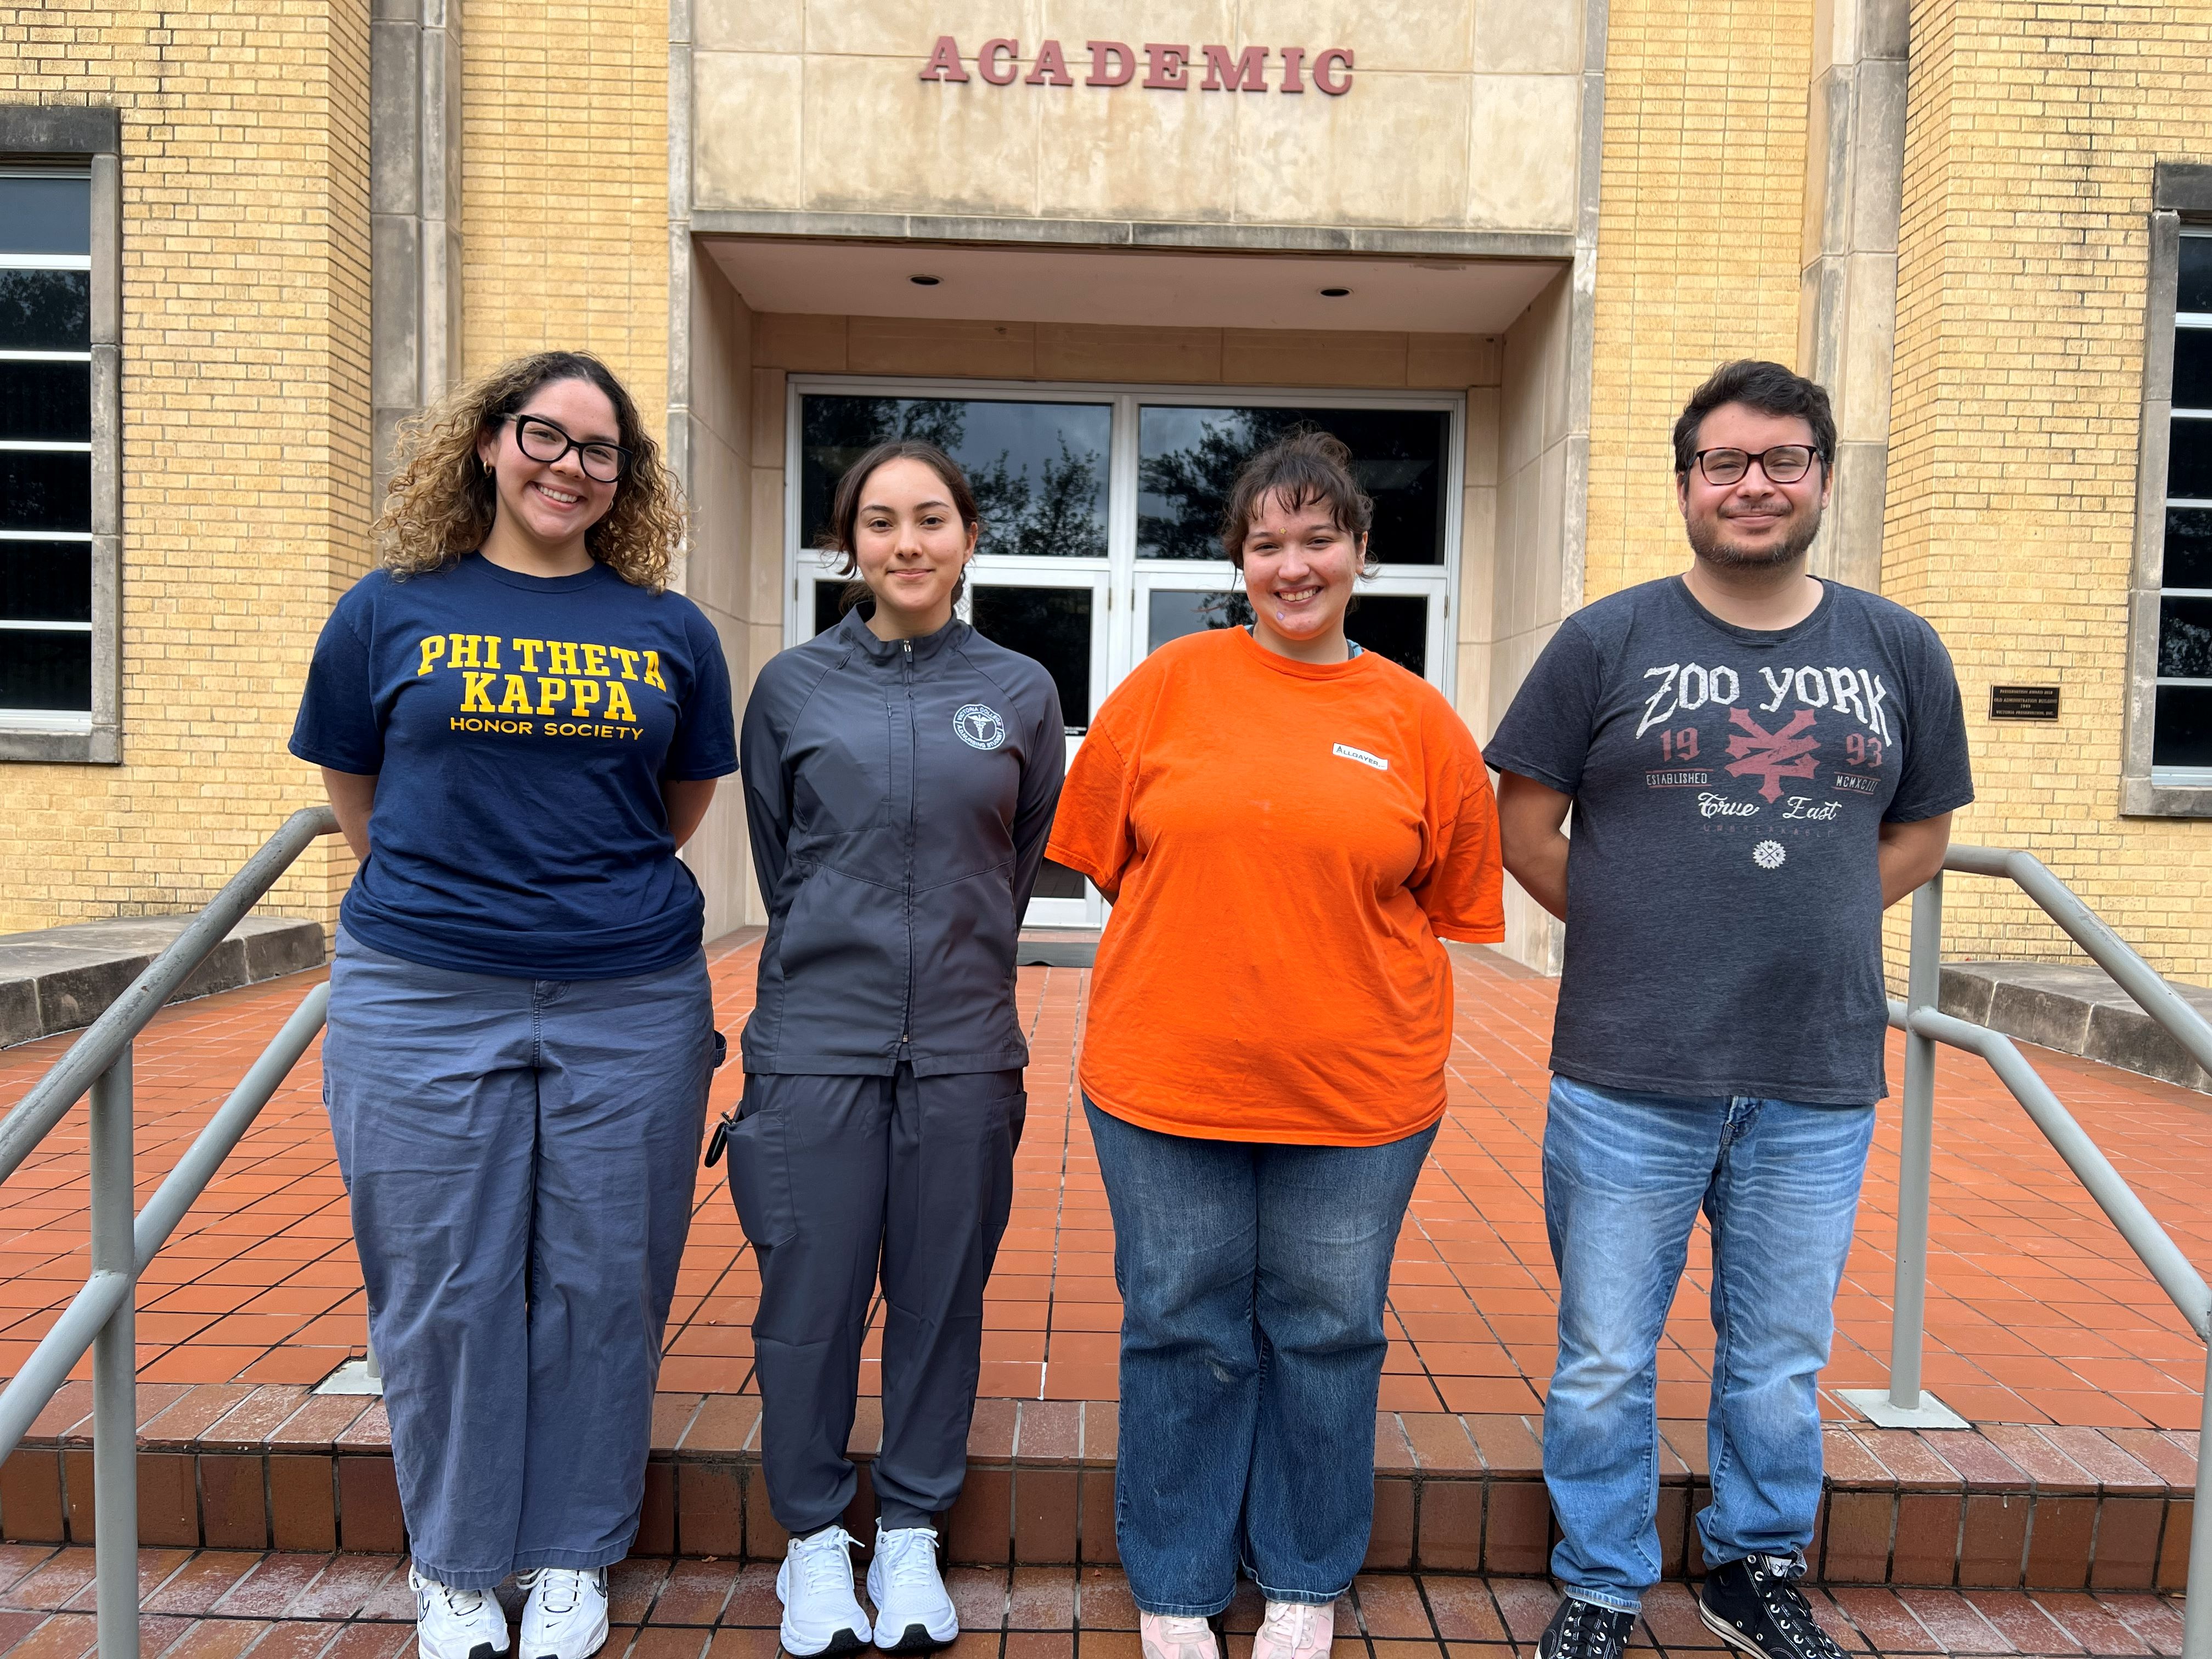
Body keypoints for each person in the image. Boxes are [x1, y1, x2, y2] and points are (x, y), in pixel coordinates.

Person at [1484, 360, 1974, 1659]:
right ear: (1687, 483)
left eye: (1781, 460)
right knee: (1605, 1351)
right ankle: (1603, 1577)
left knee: (1778, 1356)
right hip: (1629, 1068)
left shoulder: (1897, 647)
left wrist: (1803, 919)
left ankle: (1753, 1565)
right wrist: (1649, 931)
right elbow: (1525, 829)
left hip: (1815, 1071)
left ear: (1822, 478)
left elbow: (1921, 832)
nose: (1753, 484)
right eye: (1724, 462)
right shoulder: (1605, 641)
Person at [290, 351, 735, 1659]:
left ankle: (574, 1553)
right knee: (446, 1283)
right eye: (547, 436)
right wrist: (457, 900)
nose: (570, 468)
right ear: (489, 441)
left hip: (630, 994)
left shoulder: (670, 631)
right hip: (422, 992)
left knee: (606, 1279)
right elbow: (356, 789)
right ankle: (455, 1561)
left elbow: (676, 806)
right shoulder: (388, 610)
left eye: (601, 451)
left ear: (625, 480)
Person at [1045, 431, 1505, 1659]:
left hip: (1358, 1094)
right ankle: (1177, 1582)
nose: (1293, 566)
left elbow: (1449, 902)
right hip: (1165, 1081)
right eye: (1266, 544)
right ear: (1238, 561)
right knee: (1179, 1323)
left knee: (1327, 1329)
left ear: (1360, 549)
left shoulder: (1419, 721)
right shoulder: (1167, 687)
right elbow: (1108, 864)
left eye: (1318, 539)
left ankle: (1304, 1574)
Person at [727, 438, 1064, 1657]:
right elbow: (784, 863)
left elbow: (1014, 864)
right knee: (808, 1304)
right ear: (848, 544)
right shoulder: (791, 688)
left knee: (939, 1300)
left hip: (966, 1051)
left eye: (931, 519)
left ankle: (913, 1528)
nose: (908, 543)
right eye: (881, 521)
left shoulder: (1022, 690)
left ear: (970, 538)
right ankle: (816, 1540)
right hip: (816, 1046)